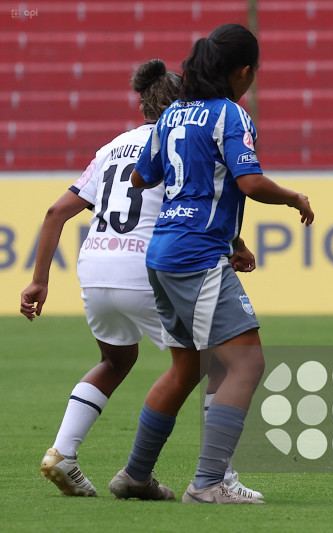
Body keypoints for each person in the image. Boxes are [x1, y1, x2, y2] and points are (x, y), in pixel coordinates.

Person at [20, 58, 259, 500]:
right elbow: (189, 206)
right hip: (149, 268)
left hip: (95, 267)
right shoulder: (177, 139)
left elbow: (56, 212)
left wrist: (39, 281)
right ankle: (217, 478)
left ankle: (63, 454)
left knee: (115, 361)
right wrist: (233, 244)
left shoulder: (112, 147)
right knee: (220, 364)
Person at [107, 24, 314, 504]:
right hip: (196, 255)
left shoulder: (172, 115)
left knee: (190, 367)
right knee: (247, 361)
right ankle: (208, 483)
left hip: (163, 254)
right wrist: (293, 198)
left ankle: (136, 476)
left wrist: (225, 230)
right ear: (243, 71)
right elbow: (250, 182)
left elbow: (141, 176)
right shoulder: (231, 115)